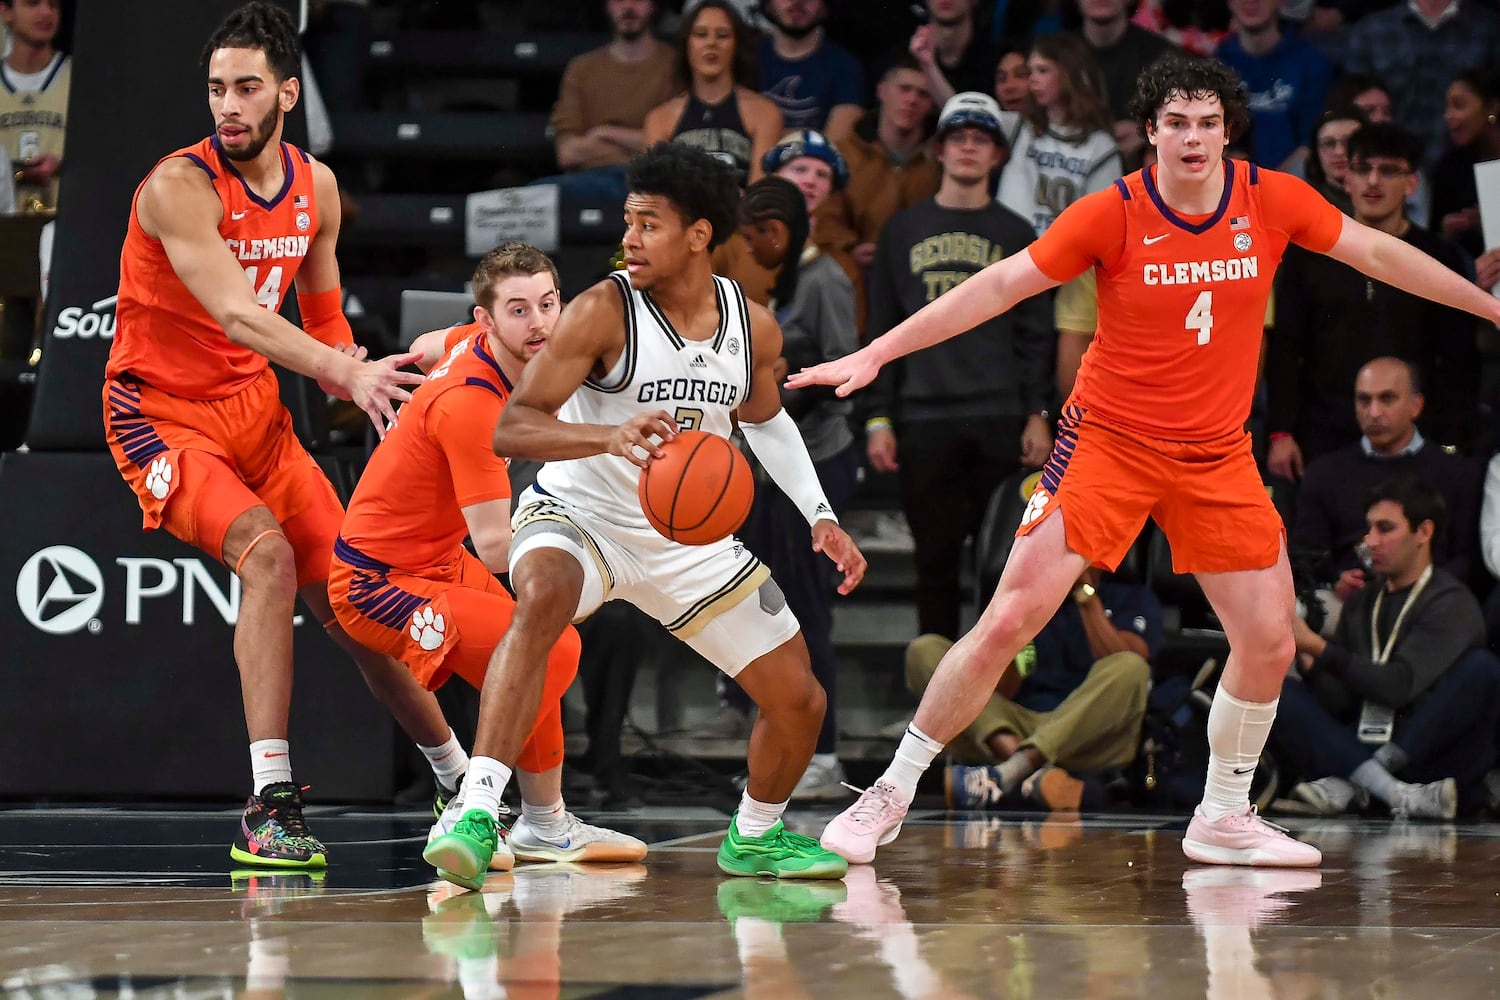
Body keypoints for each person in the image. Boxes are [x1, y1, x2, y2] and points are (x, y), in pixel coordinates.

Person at [791, 52, 1500, 868]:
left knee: (1270, 638)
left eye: (1207, 123)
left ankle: (1224, 814)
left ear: (1226, 129)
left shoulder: (1271, 197)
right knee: (1010, 617)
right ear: (1151, 131)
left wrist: (1486, 303)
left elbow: (1378, 254)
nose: (1193, 138)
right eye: (1176, 123)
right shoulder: (1112, 213)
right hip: (1109, 443)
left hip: (1216, 452)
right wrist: (877, 353)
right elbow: (996, 288)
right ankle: (891, 790)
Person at [423, 142, 866, 888]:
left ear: (698, 234)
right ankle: (475, 809)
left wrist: (820, 515)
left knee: (800, 697)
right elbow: (514, 426)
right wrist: (609, 435)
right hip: (580, 515)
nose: (629, 238)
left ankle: (756, 834)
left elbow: (766, 420)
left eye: (648, 225)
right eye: (628, 221)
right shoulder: (603, 310)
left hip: (688, 543)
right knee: (541, 602)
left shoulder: (751, 326)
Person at [101, 3, 431, 868]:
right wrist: (340, 370)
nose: (228, 106)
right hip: (159, 413)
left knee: (353, 595)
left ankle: (464, 780)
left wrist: (368, 386)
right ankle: (270, 805)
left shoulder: (314, 187)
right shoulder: (179, 186)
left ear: (287, 92)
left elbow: (324, 320)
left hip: (256, 413)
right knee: (270, 558)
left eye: (246, 87)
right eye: (216, 90)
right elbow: (242, 315)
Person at [330, 243, 648, 885]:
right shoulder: (474, 405)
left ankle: (545, 823)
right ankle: (473, 812)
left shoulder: (464, 341)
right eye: (518, 310)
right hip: (376, 584)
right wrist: (592, 539)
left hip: (434, 560)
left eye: (548, 304)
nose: (540, 324)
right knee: (551, 648)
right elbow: (499, 549)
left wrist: (400, 368)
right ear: (487, 321)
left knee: (541, 640)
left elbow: (424, 339)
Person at [864, 91, 1054, 641]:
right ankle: (934, 701)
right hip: (924, 418)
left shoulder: (1019, 235)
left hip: (999, 417)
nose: (969, 148)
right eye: (958, 138)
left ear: (997, 155)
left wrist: (1039, 413)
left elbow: (1034, 334)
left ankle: (996, 696)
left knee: (1006, 570)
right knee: (936, 566)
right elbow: (882, 330)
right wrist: (878, 418)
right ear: (939, 150)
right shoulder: (901, 231)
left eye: (981, 140)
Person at [714, 175, 860, 799]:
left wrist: (777, 383)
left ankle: (821, 756)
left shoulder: (826, 279)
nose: (742, 253)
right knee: (767, 607)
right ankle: (775, 747)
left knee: (806, 607)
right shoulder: (753, 288)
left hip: (817, 459)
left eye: (749, 240)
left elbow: (847, 371)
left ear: (774, 235)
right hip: (757, 469)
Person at [1281, 477, 1500, 819]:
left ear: (1424, 533)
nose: (1370, 541)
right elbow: (1341, 700)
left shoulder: (1451, 602)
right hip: (1365, 745)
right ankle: (1389, 791)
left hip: (1427, 762)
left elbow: (1396, 686)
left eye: (1385, 529)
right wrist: (1306, 657)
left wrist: (1318, 646)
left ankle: (1362, 784)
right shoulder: (1364, 600)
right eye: (1368, 529)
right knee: (1278, 690)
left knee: (1482, 668)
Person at [1266, 125, 1479, 475]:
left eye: (1388, 170)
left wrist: (1450, 440)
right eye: (1363, 169)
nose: (1373, 181)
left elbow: (1459, 361)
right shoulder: (1309, 254)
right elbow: (1286, 349)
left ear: (1411, 183)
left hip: (1416, 436)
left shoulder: (1439, 258)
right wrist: (1281, 433)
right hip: (1323, 435)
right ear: (1347, 178)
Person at [929, 565, 1159, 811]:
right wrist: (1018, 627)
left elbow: (1125, 659)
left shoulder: (1131, 597)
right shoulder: (1026, 596)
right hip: (1020, 723)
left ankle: (1011, 772)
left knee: (1132, 666)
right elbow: (1003, 688)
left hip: (1089, 733)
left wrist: (1085, 594)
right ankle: (1029, 771)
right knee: (928, 653)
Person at [1290, 358, 1482, 602]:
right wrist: (1337, 580)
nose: (1374, 412)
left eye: (1387, 398)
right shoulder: (1324, 473)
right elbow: (1306, 557)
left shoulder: (1457, 474)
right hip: (1346, 604)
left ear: (1416, 405)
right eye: (1364, 400)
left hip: (1430, 604)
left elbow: (1466, 559)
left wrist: (1421, 592)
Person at [544, 0, 679, 202]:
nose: (628, 7)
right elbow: (568, 152)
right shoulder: (582, 69)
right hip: (589, 182)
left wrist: (604, 133)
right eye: (619, 0)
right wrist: (639, 147)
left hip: (655, 184)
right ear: (606, 5)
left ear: (653, 5)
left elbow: (673, 149)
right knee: (532, 199)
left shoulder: (675, 66)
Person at [642, 0, 782, 187]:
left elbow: (761, 194)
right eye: (701, 34)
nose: (711, 43)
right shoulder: (660, 119)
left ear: (736, 44)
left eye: (722, 35)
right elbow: (654, 194)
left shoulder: (764, 113)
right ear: (687, 44)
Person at [1214, 0, 1330, 173]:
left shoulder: (1311, 62)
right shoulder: (1218, 61)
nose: (1251, 2)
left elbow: (1311, 142)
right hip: (1234, 182)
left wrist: (1270, 186)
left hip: (1296, 183)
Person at [756, 0, 864, 140]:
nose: (797, 2)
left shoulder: (846, 67)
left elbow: (836, 147)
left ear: (824, 6)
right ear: (768, 4)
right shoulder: (747, 59)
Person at [0, 0, 67, 211]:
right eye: (33, 3)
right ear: (6, 11)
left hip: (62, 226)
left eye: (53, 5)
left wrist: (65, 165)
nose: (46, 12)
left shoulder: (80, 78)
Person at [1430, 69, 1500, 261]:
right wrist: (1446, 232)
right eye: (1447, 108)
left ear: (1492, 107)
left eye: (1458, 106)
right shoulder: (1448, 168)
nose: (1448, 116)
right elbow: (1432, 241)